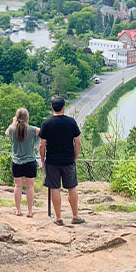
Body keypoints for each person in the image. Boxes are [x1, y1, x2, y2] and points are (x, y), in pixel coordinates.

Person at [39, 96, 84, 226]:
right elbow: (78, 142)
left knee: (55, 188)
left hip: (52, 161)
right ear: (63, 107)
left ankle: (58, 218)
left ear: (52, 107)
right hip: (68, 160)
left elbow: (42, 145)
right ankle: (75, 216)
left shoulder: (47, 123)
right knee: (72, 187)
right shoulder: (71, 122)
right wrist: (75, 157)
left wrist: (42, 160)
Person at [5, 108, 40, 217]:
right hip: (30, 161)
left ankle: (18, 210)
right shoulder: (32, 129)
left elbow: (6, 133)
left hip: (16, 161)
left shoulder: (11, 129)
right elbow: (42, 131)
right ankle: (29, 211)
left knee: (18, 186)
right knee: (30, 187)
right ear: (27, 117)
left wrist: (13, 122)